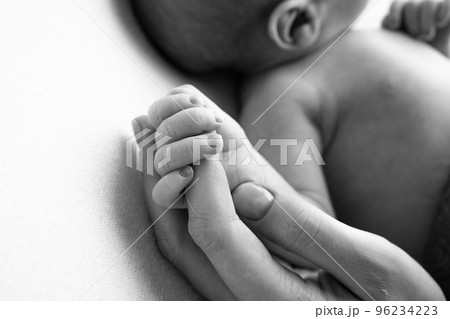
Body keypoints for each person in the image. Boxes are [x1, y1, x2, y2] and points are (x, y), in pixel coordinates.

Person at [131, 0, 450, 299]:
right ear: (299, 21)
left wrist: (435, 41)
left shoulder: (364, 36)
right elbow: (303, 229)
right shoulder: (283, 96)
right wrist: (242, 170)